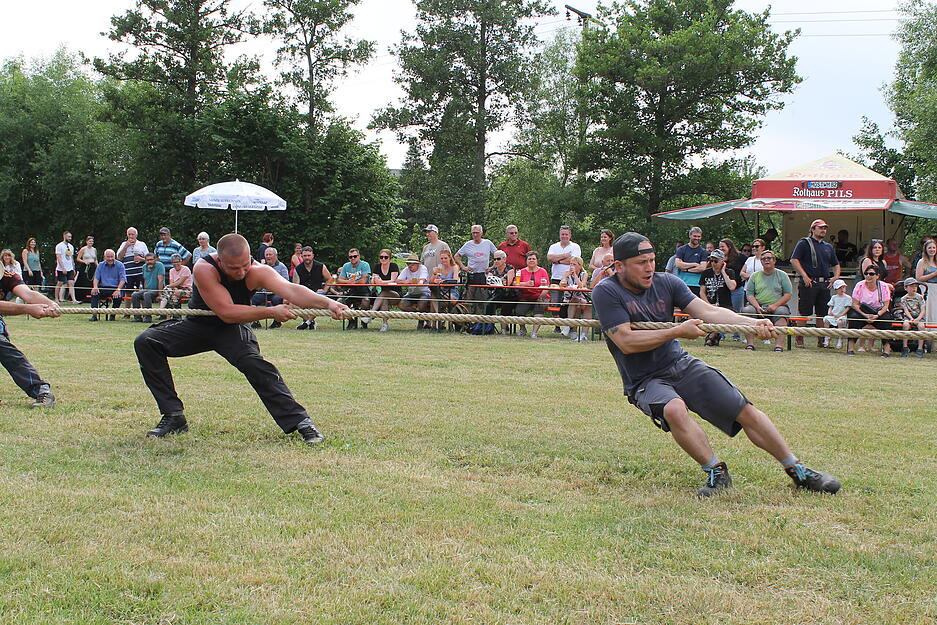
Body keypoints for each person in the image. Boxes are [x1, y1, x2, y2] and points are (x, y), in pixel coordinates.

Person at [591, 232, 840, 497]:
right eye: (641, 262)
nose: (650, 267)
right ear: (619, 266)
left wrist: (752, 324)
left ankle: (797, 470)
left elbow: (709, 312)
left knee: (743, 409)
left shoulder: (668, 283)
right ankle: (716, 471)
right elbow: (626, 341)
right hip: (644, 379)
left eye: (652, 260)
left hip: (680, 363)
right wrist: (676, 331)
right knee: (674, 409)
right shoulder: (606, 292)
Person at [134, 233, 347, 443]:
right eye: (234, 268)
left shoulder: (257, 270)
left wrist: (329, 303)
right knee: (147, 342)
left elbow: (291, 290)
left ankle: (301, 422)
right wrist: (270, 312)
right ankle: (174, 416)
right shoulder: (204, 268)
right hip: (199, 325)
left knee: (254, 365)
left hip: (232, 329)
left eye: (245, 265)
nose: (241, 272)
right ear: (219, 259)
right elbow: (226, 310)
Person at [1, 269, 58, 408]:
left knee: (10, 355)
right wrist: (28, 309)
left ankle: (41, 390)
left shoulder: (6, 275)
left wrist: (51, 304)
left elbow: (28, 294)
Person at [789, 219, 841, 348]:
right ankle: (799, 339)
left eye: (825, 228)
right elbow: (794, 260)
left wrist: (836, 277)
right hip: (809, 282)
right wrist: (804, 276)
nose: (823, 230)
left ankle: (821, 341)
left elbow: (836, 264)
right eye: (820, 228)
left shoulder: (828, 246)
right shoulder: (804, 243)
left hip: (824, 283)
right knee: (804, 311)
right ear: (813, 229)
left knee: (822, 313)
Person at [741, 250, 791, 352]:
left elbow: (788, 294)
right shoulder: (754, 276)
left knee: (782, 312)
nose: (766, 260)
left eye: (769, 258)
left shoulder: (782, 275)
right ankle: (750, 344)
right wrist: (756, 306)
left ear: (774, 261)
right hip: (757, 306)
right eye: (763, 259)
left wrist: (775, 306)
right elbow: (749, 294)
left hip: (777, 306)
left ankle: (778, 346)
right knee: (747, 310)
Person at [846, 264, 893, 356]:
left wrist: (877, 315)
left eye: (871, 274)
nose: (868, 276)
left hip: (878, 311)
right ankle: (850, 348)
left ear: (877, 276)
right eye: (866, 273)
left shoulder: (883, 286)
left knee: (886, 321)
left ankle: (886, 350)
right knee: (853, 317)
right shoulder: (859, 285)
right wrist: (865, 315)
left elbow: (886, 306)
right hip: (862, 311)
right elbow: (854, 304)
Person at [698, 249, 737, 346]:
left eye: (716, 261)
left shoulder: (730, 272)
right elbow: (702, 292)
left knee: (724, 316)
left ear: (722, 261)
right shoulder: (706, 273)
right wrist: (708, 305)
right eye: (711, 261)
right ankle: (714, 336)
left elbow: (732, 287)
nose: (713, 263)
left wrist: (723, 272)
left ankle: (712, 336)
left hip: (725, 305)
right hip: (709, 304)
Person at [547, 226, 582, 334]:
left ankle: (569, 326)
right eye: (562, 234)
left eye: (566, 234)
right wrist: (565, 256)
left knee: (569, 303)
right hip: (556, 278)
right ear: (559, 234)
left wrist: (557, 260)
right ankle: (557, 326)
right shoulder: (554, 246)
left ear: (570, 235)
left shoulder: (575, 246)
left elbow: (574, 262)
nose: (564, 236)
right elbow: (549, 258)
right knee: (554, 302)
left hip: (570, 279)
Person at [457, 225, 498, 313]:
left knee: (481, 300)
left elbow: (498, 254)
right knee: (468, 300)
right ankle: (468, 321)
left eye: (477, 233)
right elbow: (457, 256)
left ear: (482, 233)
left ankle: (479, 323)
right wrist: (463, 267)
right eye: (473, 233)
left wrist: (492, 267)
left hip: (483, 275)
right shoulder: (468, 244)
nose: (475, 235)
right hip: (472, 275)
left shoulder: (488, 243)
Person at [292, 246, 332, 330]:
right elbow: (296, 285)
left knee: (320, 300)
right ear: (302, 256)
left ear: (313, 255)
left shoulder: (321, 266)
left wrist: (324, 290)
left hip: (317, 294)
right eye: (305, 256)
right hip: (304, 294)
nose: (307, 258)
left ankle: (306, 323)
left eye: (309, 255)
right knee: (292, 303)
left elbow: (330, 279)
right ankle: (310, 322)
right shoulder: (298, 269)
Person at [249, 247, 290, 329]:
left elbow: (286, 282)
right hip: (263, 292)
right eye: (266, 255)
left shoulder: (282, 267)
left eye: (270, 254)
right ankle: (255, 321)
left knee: (277, 300)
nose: (268, 257)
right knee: (252, 299)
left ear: (275, 256)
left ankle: (277, 322)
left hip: (276, 293)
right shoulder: (261, 267)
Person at [363, 249, 400, 332]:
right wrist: (374, 280)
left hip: (395, 294)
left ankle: (371, 314)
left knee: (383, 293)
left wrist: (382, 282)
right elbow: (373, 281)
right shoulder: (377, 267)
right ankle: (385, 324)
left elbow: (393, 280)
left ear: (389, 258)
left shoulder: (393, 266)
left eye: (386, 257)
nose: (383, 259)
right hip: (382, 295)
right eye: (381, 257)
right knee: (384, 299)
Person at [515, 251, 550, 338]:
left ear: (537, 260)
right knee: (520, 310)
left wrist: (540, 297)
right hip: (526, 296)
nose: (531, 260)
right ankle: (522, 329)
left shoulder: (543, 271)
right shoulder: (521, 271)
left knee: (539, 308)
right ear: (526, 261)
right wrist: (525, 283)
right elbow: (515, 284)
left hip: (541, 296)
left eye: (533, 259)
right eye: (529, 259)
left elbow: (546, 287)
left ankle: (534, 332)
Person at [116, 228, 149, 312]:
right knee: (128, 292)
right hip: (128, 273)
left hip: (140, 272)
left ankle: (143, 311)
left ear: (136, 235)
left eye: (132, 234)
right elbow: (119, 257)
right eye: (129, 234)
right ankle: (127, 312)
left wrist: (141, 259)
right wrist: (126, 246)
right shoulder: (123, 244)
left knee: (141, 291)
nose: (131, 236)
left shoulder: (142, 244)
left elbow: (149, 259)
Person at [337, 248, 371, 330]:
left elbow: (364, 280)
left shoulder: (365, 265)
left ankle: (364, 322)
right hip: (350, 290)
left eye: (355, 256)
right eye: (350, 257)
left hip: (363, 290)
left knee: (366, 301)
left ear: (359, 256)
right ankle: (351, 321)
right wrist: (348, 281)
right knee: (339, 303)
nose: (352, 258)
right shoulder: (346, 266)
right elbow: (339, 279)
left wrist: (353, 282)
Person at [89, 249, 126, 321]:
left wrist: (118, 289)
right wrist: (95, 287)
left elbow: (123, 279)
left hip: (115, 288)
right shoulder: (100, 265)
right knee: (94, 294)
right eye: (108, 257)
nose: (110, 259)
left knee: (118, 296)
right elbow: (96, 278)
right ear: (104, 257)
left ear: (114, 256)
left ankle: (112, 315)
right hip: (103, 287)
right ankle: (94, 315)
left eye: (112, 256)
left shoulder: (120, 265)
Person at [560, 256, 591, 341]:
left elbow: (581, 285)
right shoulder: (566, 272)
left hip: (581, 297)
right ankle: (572, 331)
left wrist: (575, 275)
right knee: (575, 303)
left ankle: (568, 326)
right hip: (569, 298)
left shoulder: (584, 274)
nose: (571, 266)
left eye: (574, 264)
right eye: (570, 264)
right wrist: (565, 277)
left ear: (580, 266)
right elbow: (561, 284)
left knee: (578, 302)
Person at [484, 249, 516, 333]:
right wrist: (501, 280)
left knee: (506, 306)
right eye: (494, 259)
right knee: (488, 304)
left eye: (498, 259)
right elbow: (489, 282)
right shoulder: (493, 270)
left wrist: (498, 281)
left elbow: (508, 284)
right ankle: (489, 328)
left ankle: (504, 329)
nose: (496, 261)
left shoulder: (510, 268)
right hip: (496, 294)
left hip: (509, 295)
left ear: (504, 259)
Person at [430, 249, 461, 331]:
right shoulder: (439, 268)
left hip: (452, 293)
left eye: (445, 258)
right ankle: (438, 321)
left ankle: (437, 322)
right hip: (440, 293)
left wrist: (443, 282)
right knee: (433, 295)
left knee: (435, 299)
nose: (443, 260)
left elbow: (455, 280)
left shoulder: (455, 267)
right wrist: (434, 274)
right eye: (442, 258)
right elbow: (431, 282)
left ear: (450, 258)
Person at [397, 255, 431, 326]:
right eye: (408, 263)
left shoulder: (423, 268)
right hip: (411, 293)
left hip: (424, 292)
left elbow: (422, 280)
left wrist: (407, 281)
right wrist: (410, 281)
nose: (410, 266)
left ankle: (421, 321)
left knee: (422, 303)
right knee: (402, 305)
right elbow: (398, 280)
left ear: (418, 264)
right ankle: (420, 316)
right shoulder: (406, 269)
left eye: (412, 263)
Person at [131, 253, 165, 323]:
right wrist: (144, 289)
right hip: (147, 289)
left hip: (157, 289)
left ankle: (147, 317)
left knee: (147, 294)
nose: (149, 261)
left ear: (155, 259)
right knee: (135, 295)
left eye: (151, 259)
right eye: (147, 260)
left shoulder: (160, 265)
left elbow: (160, 280)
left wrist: (160, 293)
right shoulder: (144, 267)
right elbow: (145, 280)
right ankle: (137, 317)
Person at [674, 227, 707, 296]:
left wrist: (686, 269)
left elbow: (702, 268)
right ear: (690, 236)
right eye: (695, 236)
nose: (697, 238)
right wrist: (695, 264)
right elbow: (678, 264)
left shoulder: (703, 251)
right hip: (683, 283)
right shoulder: (681, 249)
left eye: (699, 236)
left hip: (697, 284)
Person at [898, 277, 926, 358]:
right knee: (906, 325)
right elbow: (906, 310)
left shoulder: (920, 297)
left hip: (919, 316)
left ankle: (920, 348)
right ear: (906, 288)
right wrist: (911, 319)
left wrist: (917, 319)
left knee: (921, 326)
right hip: (909, 316)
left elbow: (923, 310)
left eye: (915, 286)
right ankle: (905, 347)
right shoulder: (903, 299)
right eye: (911, 286)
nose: (914, 288)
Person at [821, 279, 851, 349]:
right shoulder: (834, 297)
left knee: (840, 322)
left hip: (842, 316)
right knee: (826, 320)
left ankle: (840, 340)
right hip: (834, 315)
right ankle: (827, 338)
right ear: (836, 289)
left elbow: (847, 308)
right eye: (840, 288)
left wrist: (841, 315)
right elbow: (830, 306)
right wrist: (829, 312)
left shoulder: (848, 298)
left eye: (843, 287)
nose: (842, 289)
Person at [915, 238, 937, 327]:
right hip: (927, 288)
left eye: (934, 248)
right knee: (929, 310)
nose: (932, 250)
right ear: (926, 249)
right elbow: (919, 278)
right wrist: (934, 274)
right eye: (930, 248)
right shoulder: (922, 261)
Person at [54, 231, 79, 303]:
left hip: (70, 268)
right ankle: (56, 299)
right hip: (61, 268)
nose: (70, 238)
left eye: (70, 237)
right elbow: (58, 257)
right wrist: (63, 268)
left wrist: (73, 268)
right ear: (64, 236)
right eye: (69, 237)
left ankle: (74, 299)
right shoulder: (59, 246)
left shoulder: (71, 247)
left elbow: (71, 258)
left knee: (71, 283)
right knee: (60, 283)